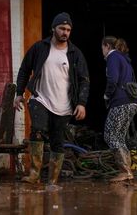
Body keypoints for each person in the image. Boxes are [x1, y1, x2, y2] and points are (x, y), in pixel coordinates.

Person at [14, 12, 90, 185]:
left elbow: (84, 80)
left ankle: (53, 179)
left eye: (68, 30)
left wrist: (81, 103)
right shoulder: (39, 48)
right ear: (53, 29)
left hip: (64, 104)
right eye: (62, 28)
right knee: (38, 130)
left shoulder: (75, 53)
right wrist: (19, 93)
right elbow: (25, 70)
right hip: (40, 99)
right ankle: (34, 174)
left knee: (58, 140)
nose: (65, 32)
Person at [101, 36, 137, 182]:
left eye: (102, 48)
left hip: (120, 102)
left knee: (110, 135)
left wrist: (106, 95)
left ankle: (125, 171)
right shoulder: (124, 58)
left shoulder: (113, 57)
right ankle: (127, 171)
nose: (102, 52)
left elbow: (112, 80)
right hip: (132, 102)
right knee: (119, 137)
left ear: (107, 46)